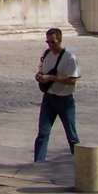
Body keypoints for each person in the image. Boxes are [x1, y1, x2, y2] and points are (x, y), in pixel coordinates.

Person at [34, 27, 81, 161]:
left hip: (65, 100)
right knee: (43, 133)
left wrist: (51, 78)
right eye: (48, 42)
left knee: (71, 135)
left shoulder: (69, 58)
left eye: (52, 42)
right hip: (49, 98)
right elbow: (41, 70)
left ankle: (79, 161)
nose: (50, 45)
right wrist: (40, 77)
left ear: (59, 40)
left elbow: (72, 80)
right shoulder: (46, 54)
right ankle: (38, 163)